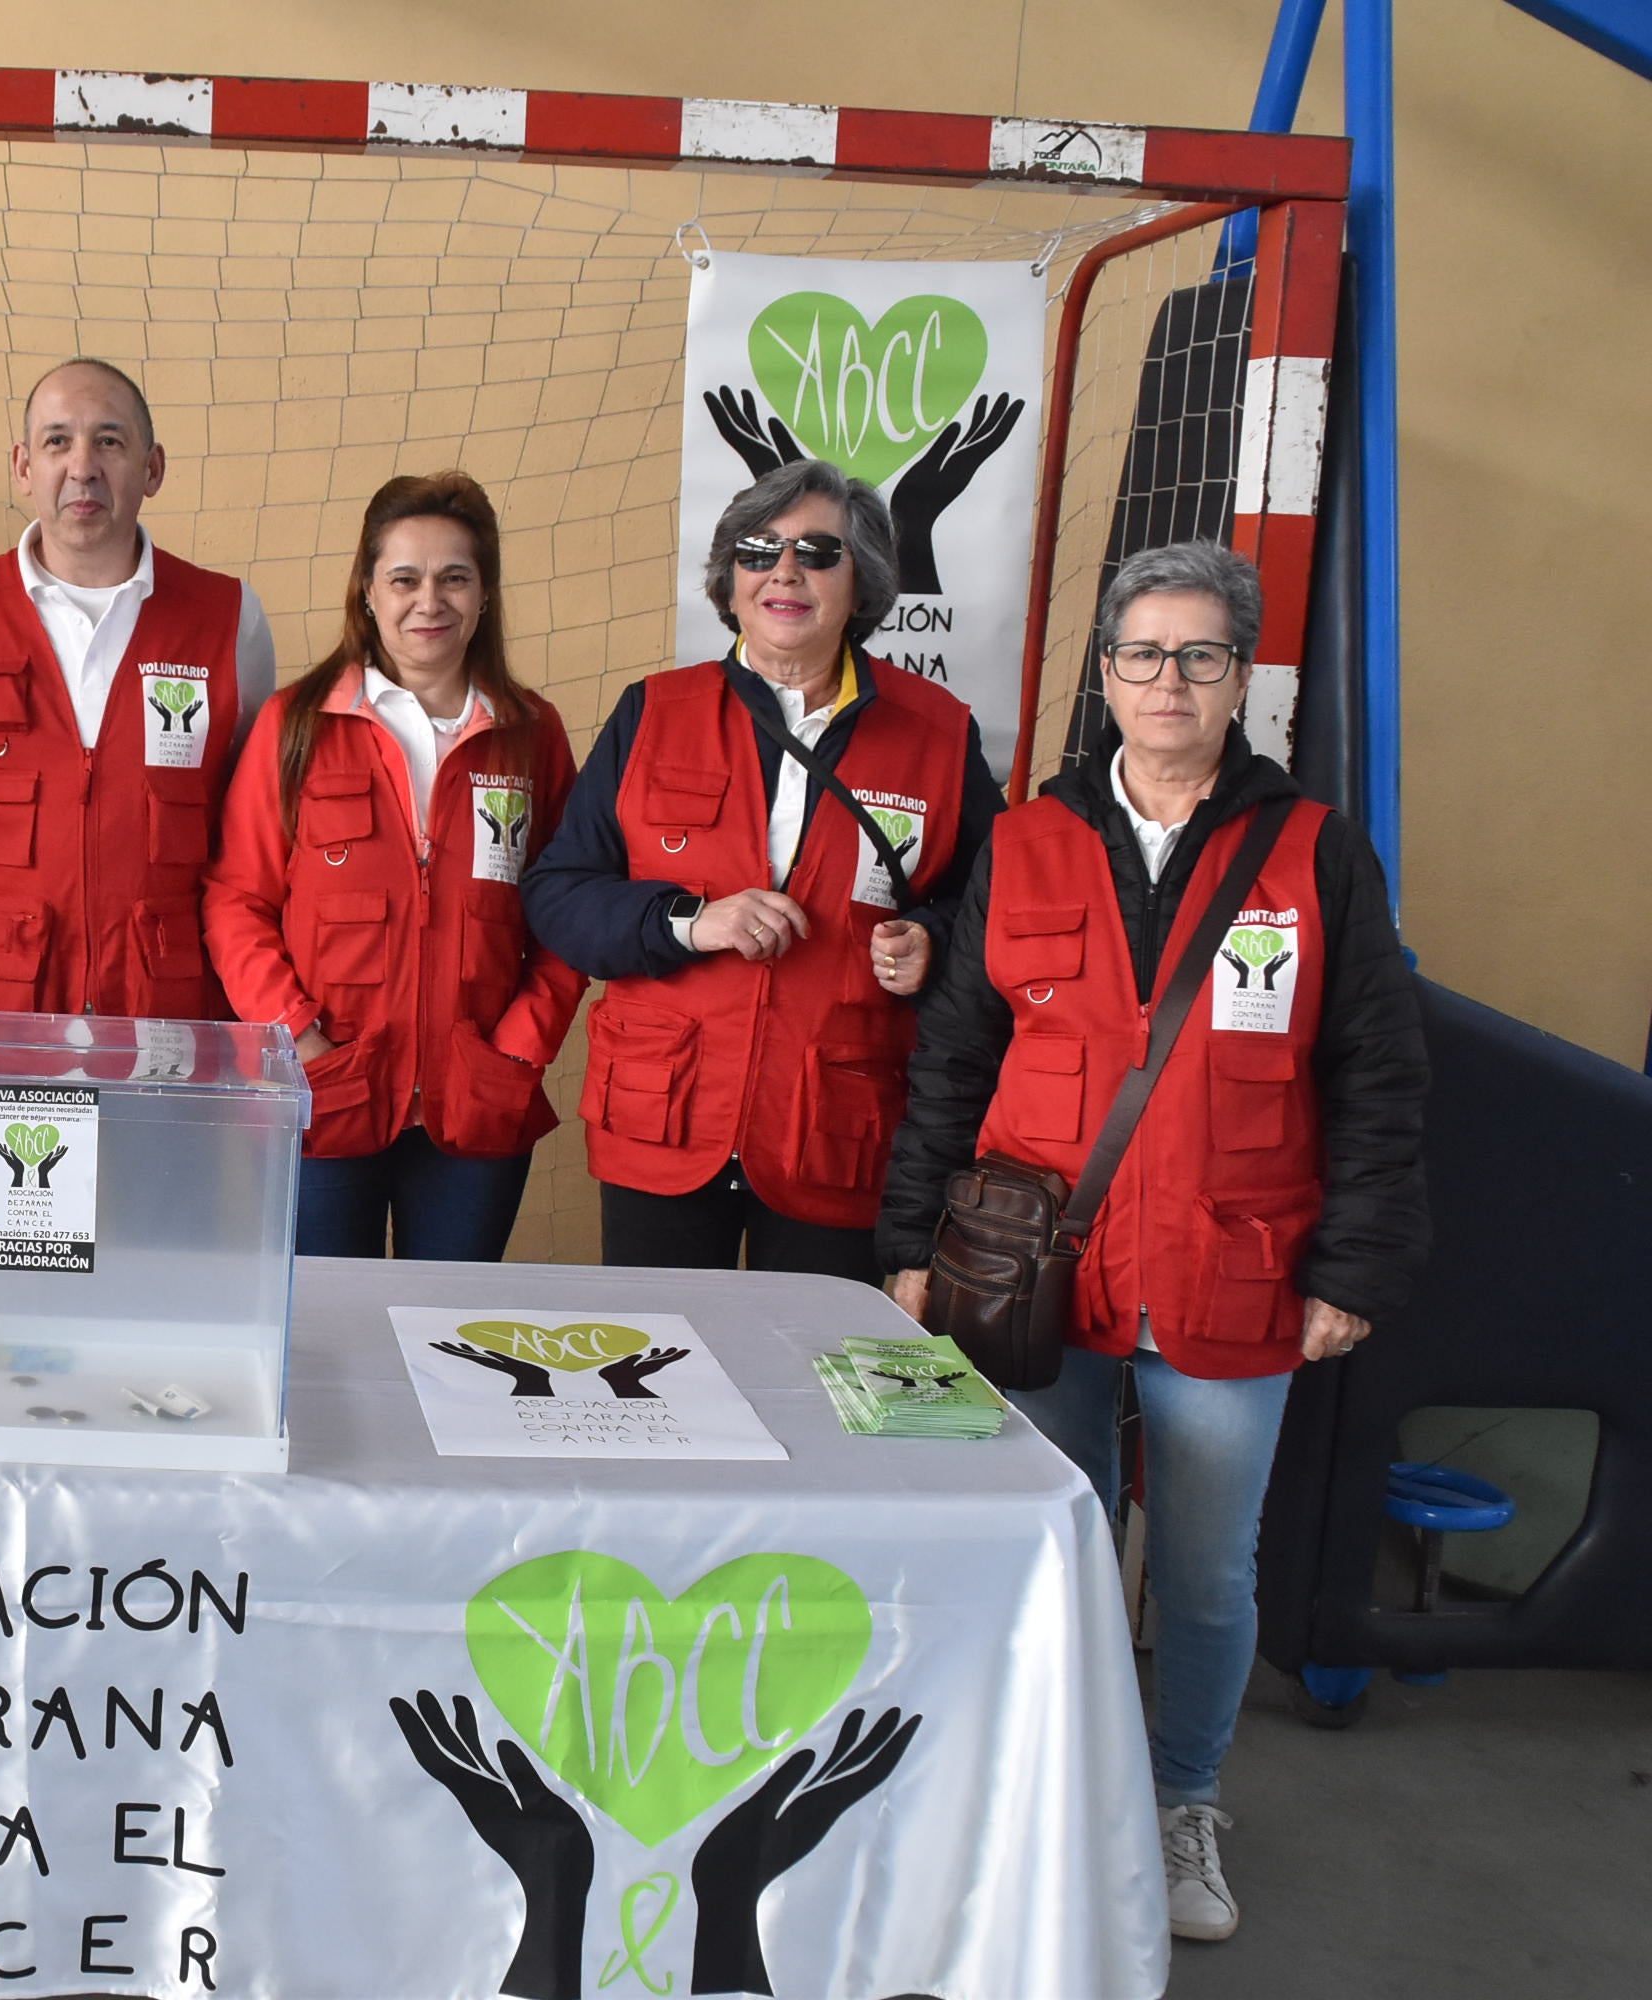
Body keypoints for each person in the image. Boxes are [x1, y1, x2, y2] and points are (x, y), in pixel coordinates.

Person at [880, 540, 1426, 1944]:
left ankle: (1184, 1804)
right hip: (1036, 1271)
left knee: (1202, 1571)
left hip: (1236, 1267)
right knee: (1040, 1549)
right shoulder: (1029, 840)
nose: (1167, 680)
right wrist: (909, 1247)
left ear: (1241, 677)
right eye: (1142, 654)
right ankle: (1046, 1798)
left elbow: (1376, 1070)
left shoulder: (1313, 852)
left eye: (1199, 656)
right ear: (1105, 674)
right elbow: (954, 1060)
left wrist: (1352, 1269)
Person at [521, 459, 1000, 1276]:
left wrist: (933, 938)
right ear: (730, 579)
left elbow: (994, 911)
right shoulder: (652, 712)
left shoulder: (939, 733)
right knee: (657, 1382)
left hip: (836, 1135)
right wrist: (690, 920)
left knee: (809, 1385)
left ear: (864, 583)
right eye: (757, 550)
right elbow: (559, 896)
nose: (783, 571)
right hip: (661, 1124)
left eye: (817, 553)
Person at [203, 473, 584, 1259]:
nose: (429, 602)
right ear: (368, 592)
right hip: (326, 1091)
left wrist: (520, 1047)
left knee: (449, 1337)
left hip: (478, 1100)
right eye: (404, 579)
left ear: (485, 596)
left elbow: (567, 913)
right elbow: (235, 900)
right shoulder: (295, 726)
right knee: (323, 1328)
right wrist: (298, 1038)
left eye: (455, 578)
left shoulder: (531, 733)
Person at [0, 358, 275, 1016]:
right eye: (57, 440)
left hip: (171, 1018)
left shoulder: (228, 618)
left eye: (109, 441)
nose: (82, 466)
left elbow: (257, 834)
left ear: (153, 468)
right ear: (24, 467)